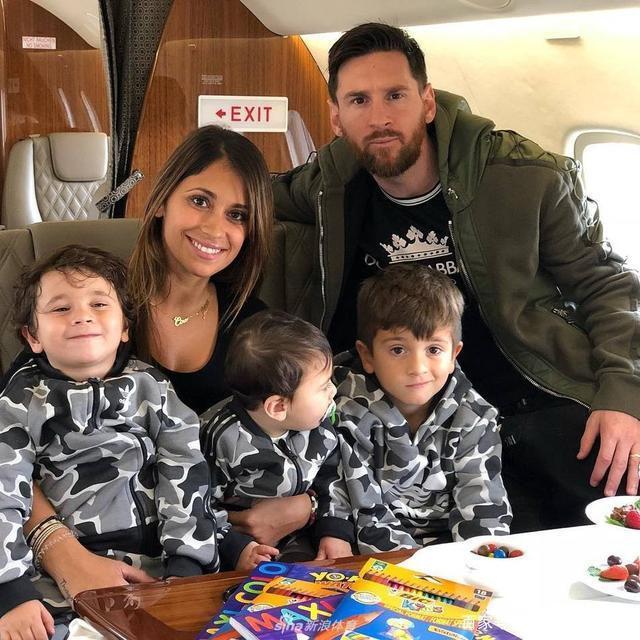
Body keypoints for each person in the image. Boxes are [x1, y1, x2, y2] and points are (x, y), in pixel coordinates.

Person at [271, 22, 640, 531]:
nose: (379, 117)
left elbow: (607, 284)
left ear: (427, 102)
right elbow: (246, 199)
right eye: (358, 100)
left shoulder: (525, 178)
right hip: (416, 429)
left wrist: (623, 396)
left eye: (395, 95)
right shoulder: (327, 188)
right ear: (336, 116)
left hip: (537, 398)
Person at [22, 127, 313, 611]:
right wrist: (62, 553)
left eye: (237, 215)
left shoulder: (256, 327)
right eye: (200, 201)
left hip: (219, 554)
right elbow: (9, 440)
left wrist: (307, 506)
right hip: (93, 549)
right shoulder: (92, 309)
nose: (215, 228)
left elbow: (320, 423)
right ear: (161, 202)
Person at [0, 246, 217, 639]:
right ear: (33, 336)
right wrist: (11, 592)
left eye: (99, 304)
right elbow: (4, 489)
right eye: (60, 308)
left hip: (159, 564)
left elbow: (186, 468)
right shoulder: (20, 402)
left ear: (125, 327)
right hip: (53, 579)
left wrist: (187, 564)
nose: (82, 315)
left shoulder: (153, 388)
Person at [331, 264, 511, 552]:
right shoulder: (348, 415)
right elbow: (367, 514)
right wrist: (416, 570)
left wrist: (477, 561)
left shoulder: (475, 417)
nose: (417, 368)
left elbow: (483, 507)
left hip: (450, 550)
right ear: (368, 356)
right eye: (398, 350)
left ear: (454, 355)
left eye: (433, 350)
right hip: (378, 552)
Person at [200, 310, 354, 571]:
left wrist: (334, 530)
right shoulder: (221, 441)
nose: (333, 391)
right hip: (240, 546)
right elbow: (198, 506)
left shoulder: (316, 424)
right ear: (278, 406)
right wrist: (236, 548)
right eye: (323, 386)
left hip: (304, 534)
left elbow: (333, 475)